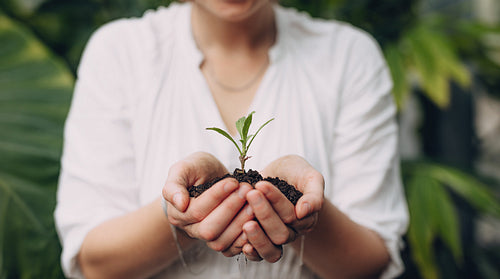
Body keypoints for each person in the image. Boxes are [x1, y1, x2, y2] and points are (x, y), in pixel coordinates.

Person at [54, 0, 409, 278]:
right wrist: (178, 216)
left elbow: (370, 264)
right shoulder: (121, 54)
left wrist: (304, 213)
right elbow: (94, 263)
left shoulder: (348, 57)